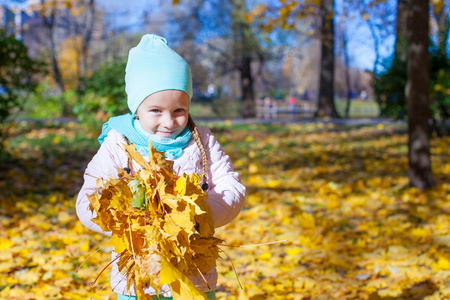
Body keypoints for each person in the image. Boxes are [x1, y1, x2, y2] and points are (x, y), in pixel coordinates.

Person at [76, 34, 246, 300]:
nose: (169, 122)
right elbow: (88, 199)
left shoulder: (202, 140)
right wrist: (125, 219)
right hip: (137, 276)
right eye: (156, 111)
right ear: (137, 109)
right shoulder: (118, 143)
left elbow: (230, 186)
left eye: (180, 110)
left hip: (192, 273)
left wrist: (200, 215)